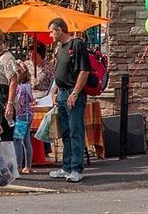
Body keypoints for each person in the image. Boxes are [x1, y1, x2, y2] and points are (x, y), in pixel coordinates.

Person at [48, 18, 89, 183]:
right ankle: (66, 166)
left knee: (75, 131)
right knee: (65, 132)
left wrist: (75, 92)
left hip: (73, 93)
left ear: (60, 30)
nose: (50, 35)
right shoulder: (60, 48)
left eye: (52, 31)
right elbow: (61, 71)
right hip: (63, 93)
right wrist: (55, 90)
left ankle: (76, 168)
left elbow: (84, 70)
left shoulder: (76, 45)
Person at [13, 66, 35, 174]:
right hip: (29, 114)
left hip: (21, 115)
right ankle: (28, 166)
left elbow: (18, 103)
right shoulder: (27, 86)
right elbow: (31, 99)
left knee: (17, 140)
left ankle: (18, 166)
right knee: (27, 140)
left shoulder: (19, 88)